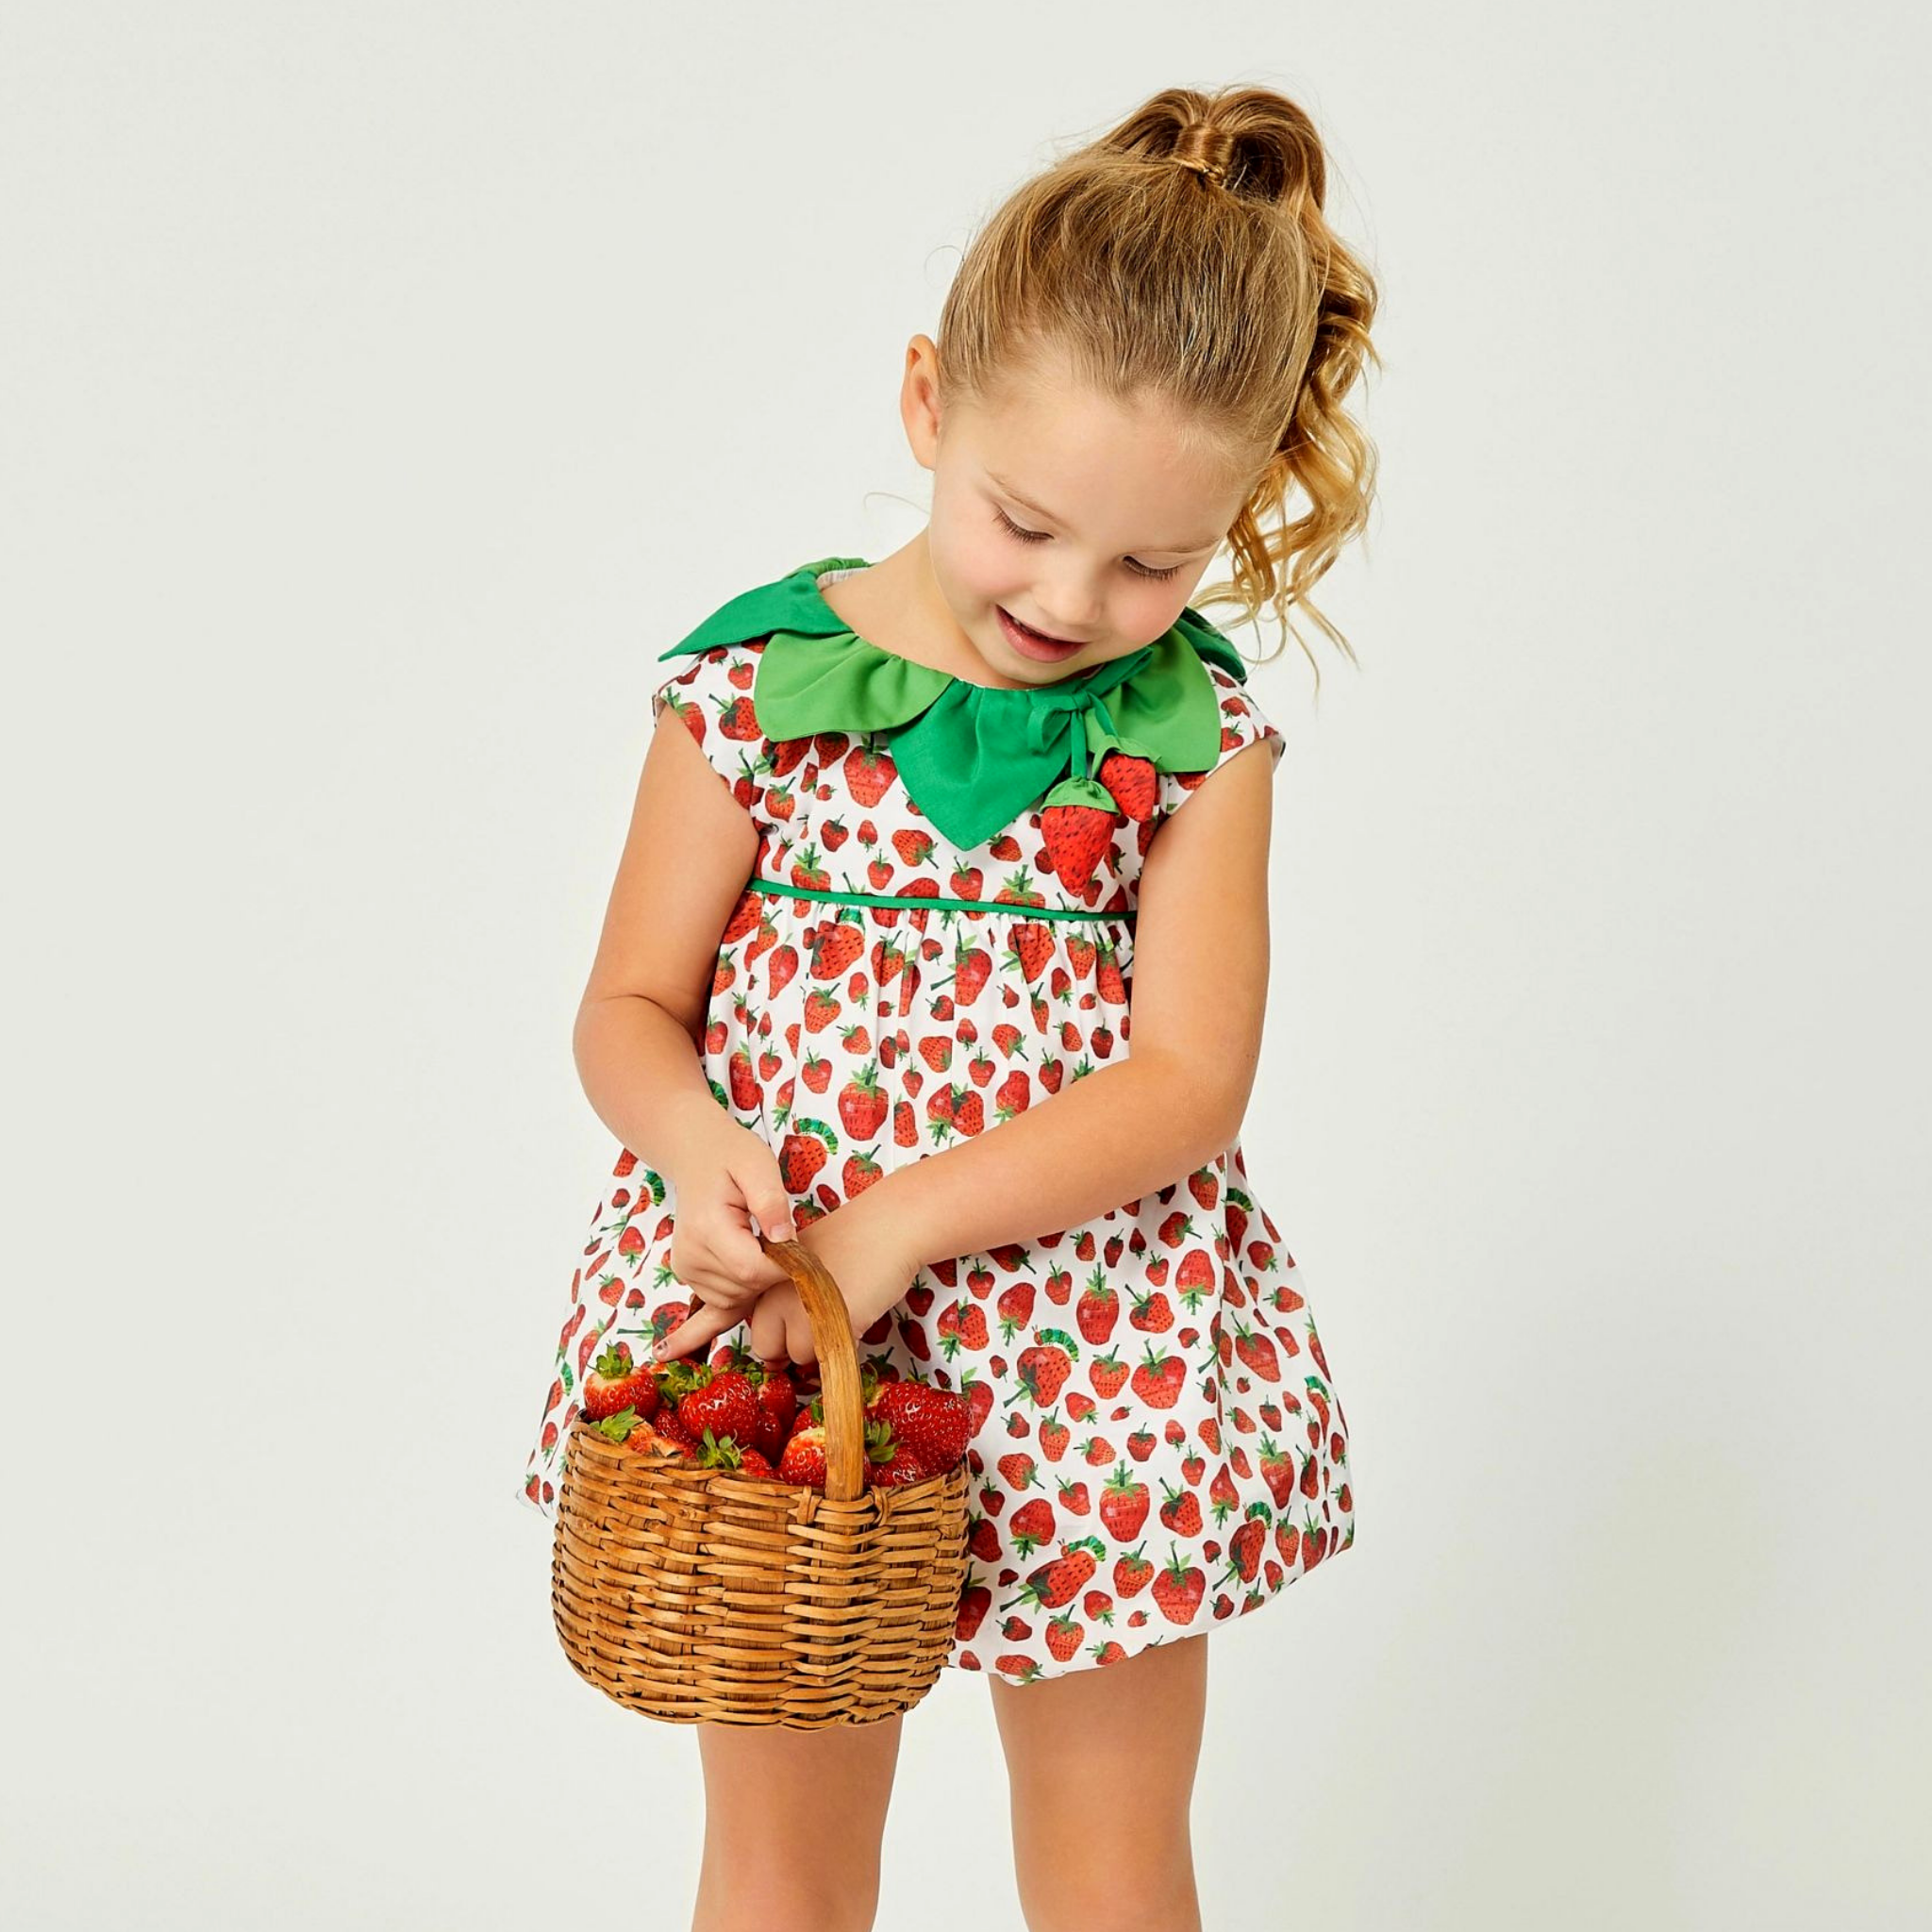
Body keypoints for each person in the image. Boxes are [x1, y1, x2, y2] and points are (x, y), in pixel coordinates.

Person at [516, 79, 1379, 1932]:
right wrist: (695, 1149)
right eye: (1024, 522)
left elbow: (1188, 1078)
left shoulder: (1194, 735)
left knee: (1111, 1862)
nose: (1076, 598)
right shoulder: (752, 686)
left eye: (1157, 562)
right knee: (779, 1868)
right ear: (927, 404)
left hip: (1097, 1357)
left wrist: (901, 1218)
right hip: (795, 1349)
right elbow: (628, 1005)